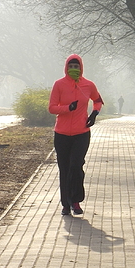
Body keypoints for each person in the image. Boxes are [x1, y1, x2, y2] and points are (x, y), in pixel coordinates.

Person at [49, 54, 103, 216]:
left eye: (76, 66)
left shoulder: (88, 85)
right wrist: (67, 108)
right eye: (71, 67)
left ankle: (76, 201)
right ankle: (65, 204)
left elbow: (98, 100)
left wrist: (94, 114)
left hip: (81, 133)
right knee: (64, 168)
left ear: (81, 67)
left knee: (76, 165)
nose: (74, 69)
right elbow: (52, 108)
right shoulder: (59, 84)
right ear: (66, 68)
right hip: (62, 134)